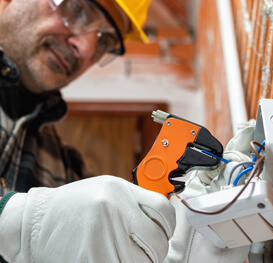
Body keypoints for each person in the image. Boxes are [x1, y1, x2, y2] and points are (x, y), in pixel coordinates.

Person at [0, 0, 252, 262]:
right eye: (78, 8)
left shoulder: (65, 170)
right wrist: (16, 224)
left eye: (105, 41)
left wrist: (185, 248)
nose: (86, 49)